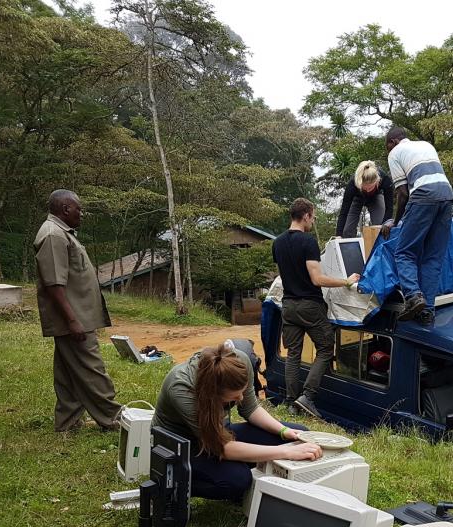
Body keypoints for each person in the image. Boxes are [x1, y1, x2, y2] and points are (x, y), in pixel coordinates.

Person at [152, 342, 322, 501]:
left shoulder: (239, 362)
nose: (240, 398)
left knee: (298, 434)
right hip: (180, 447)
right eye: (234, 397)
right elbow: (223, 448)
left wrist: (283, 431)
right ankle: (173, 484)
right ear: (213, 393)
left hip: (219, 433)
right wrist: (285, 453)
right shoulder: (182, 388)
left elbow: (250, 409)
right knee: (238, 479)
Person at [34, 189, 121, 432]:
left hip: (76, 316)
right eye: (78, 209)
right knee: (92, 369)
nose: (81, 213)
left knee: (68, 373)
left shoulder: (63, 233)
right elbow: (54, 284)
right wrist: (72, 321)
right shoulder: (54, 236)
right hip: (73, 318)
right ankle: (113, 418)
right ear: (65, 210)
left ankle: (68, 422)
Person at [272, 198, 359, 418]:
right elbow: (317, 279)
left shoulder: (277, 243)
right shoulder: (307, 242)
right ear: (306, 215)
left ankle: (292, 403)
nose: (314, 221)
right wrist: (346, 281)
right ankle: (307, 397)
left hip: (289, 305)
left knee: (293, 354)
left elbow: (286, 275)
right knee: (326, 349)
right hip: (309, 306)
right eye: (314, 216)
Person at [382, 126, 453, 325]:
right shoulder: (425, 145)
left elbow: (403, 193)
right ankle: (427, 312)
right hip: (447, 196)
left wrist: (396, 223)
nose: (388, 151)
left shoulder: (395, 153)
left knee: (404, 253)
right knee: (432, 258)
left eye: (387, 147)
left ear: (393, 142)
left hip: (423, 195)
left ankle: (413, 296)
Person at [335, 160, 394, 238]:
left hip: (376, 197)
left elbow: (389, 208)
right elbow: (344, 212)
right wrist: (339, 234)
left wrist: (386, 224)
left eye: (371, 187)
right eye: (365, 188)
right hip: (357, 197)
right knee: (347, 230)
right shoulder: (352, 184)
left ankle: (379, 247)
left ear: (377, 181)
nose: (368, 190)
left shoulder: (385, 180)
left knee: (381, 227)